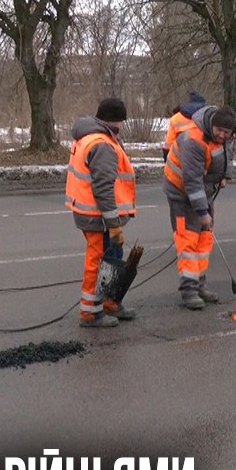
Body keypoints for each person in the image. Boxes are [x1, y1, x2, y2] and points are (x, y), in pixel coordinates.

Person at [66, 97, 138, 328]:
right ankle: (90, 313)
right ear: (115, 123)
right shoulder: (102, 145)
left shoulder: (90, 137)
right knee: (99, 263)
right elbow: (104, 189)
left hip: (93, 214)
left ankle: (108, 302)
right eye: (122, 122)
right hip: (99, 218)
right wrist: (114, 224)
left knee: (111, 260)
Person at [163, 104, 236, 310]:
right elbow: (192, 181)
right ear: (211, 125)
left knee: (204, 239)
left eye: (226, 132)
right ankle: (188, 291)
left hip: (205, 191)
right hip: (181, 192)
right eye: (219, 131)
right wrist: (202, 212)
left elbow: (227, 154)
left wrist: (225, 176)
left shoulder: (228, 137)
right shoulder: (194, 140)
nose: (222, 135)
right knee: (188, 241)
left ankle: (199, 285)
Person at [162, 91, 208, 161]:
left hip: (179, 157)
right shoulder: (206, 117)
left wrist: (167, 158)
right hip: (202, 155)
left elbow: (169, 142)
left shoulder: (176, 118)